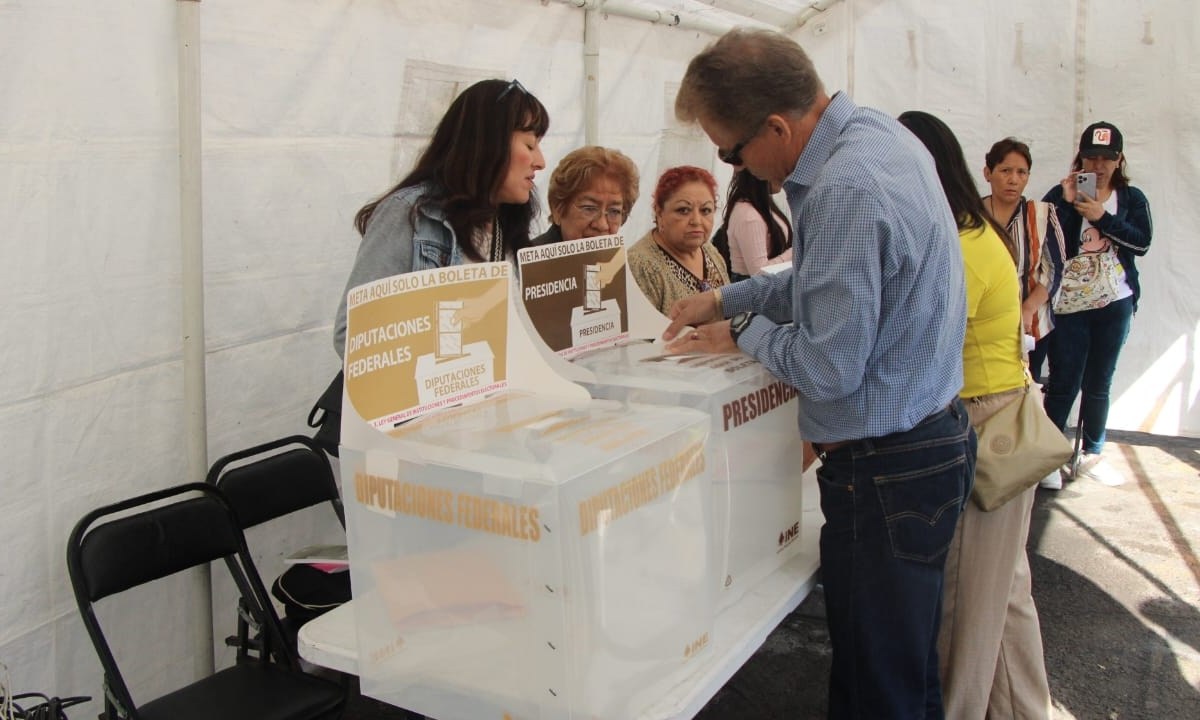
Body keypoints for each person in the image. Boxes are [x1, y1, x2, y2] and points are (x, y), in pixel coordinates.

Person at [665, 29, 974, 719]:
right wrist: (728, 297)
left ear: (776, 125)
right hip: (924, 447)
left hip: (885, 468)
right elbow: (832, 279)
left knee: (876, 687)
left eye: (731, 150)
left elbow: (830, 366)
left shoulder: (841, 186)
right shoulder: (875, 138)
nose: (734, 166)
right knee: (904, 665)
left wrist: (741, 331)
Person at [899, 111, 1052, 720]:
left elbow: (918, 341)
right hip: (1001, 414)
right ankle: (1024, 709)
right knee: (1004, 593)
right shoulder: (970, 226)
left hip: (983, 422)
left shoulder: (956, 242)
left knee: (966, 601)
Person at [332, 78, 549, 357]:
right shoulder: (410, 213)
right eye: (530, 145)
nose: (540, 161)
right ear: (487, 145)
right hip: (436, 396)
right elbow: (353, 335)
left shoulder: (506, 220)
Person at [1042, 121, 1152, 487]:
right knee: (1063, 380)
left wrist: (1102, 218)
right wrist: (1064, 199)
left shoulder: (1131, 199)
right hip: (1069, 302)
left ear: (1120, 159)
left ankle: (1092, 451)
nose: (1099, 166)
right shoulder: (1066, 193)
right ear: (1081, 158)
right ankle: (1051, 457)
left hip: (1115, 299)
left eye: (1107, 157)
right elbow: (1041, 234)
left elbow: (1142, 242)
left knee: (1099, 381)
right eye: (1092, 157)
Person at [981, 138, 1067, 388]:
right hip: (983, 323)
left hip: (1030, 325)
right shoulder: (971, 215)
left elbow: (1056, 269)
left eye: (1021, 172)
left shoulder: (1041, 213)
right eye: (1005, 170)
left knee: (1024, 389)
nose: (1013, 179)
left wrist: (1029, 307)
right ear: (988, 173)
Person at [627, 165, 730, 314]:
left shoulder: (709, 250)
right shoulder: (641, 264)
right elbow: (644, 335)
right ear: (659, 212)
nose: (696, 221)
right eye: (683, 210)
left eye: (705, 210)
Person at [533, 145, 639, 244]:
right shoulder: (528, 262)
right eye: (589, 208)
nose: (602, 225)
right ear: (558, 209)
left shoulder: (617, 261)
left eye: (614, 211)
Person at [713, 168, 793, 281]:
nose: (784, 176)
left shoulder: (760, 206)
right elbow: (758, 274)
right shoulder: (749, 215)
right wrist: (795, 253)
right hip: (752, 290)